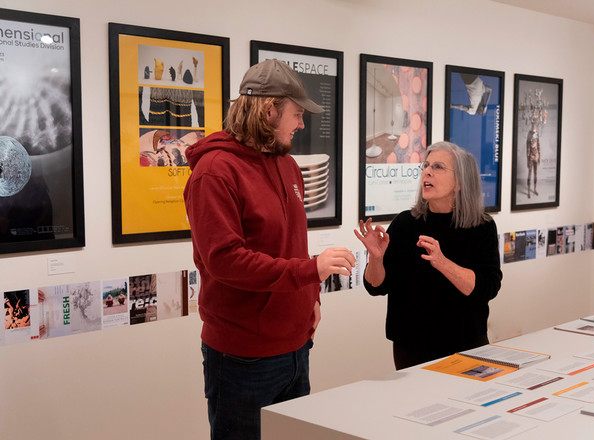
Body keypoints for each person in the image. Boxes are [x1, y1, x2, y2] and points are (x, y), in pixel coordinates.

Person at [183, 59, 356, 440]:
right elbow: (224, 260)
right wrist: (311, 272)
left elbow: (291, 244)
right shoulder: (215, 171)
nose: (301, 124)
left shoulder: (288, 166)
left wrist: (311, 299)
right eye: (296, 114)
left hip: (297, 347)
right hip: (243, 359)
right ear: (268, 110)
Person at [354, 141, 502, 370]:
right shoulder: (405, 224)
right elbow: (375, 286)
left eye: (438, 167)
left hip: (466, 344)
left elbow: (487, 288)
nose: (427, 171)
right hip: (411, 347)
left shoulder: (481, 227)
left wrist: (442, 263)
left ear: (460, 182)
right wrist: (376, 258)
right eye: (426, 165)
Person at [526, 124, 540, 198]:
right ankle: (528, 191)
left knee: (535, 173)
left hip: (536, 156)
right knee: (530, 174)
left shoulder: (536, 134)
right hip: (531, 156)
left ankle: (534, 189)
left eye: (535, 126)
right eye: (533, 126)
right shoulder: (529, 134)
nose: (535, 127)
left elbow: (538, 144)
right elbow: (528, 146)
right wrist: (528, 159)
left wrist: (539, 156)